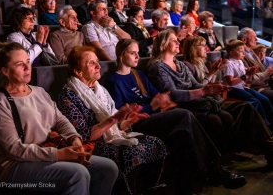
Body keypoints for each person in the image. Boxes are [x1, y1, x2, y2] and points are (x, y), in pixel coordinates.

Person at [105, 39, 248, 194]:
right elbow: (122, 114)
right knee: (184, 115)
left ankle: (189, 185)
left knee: (182, 136)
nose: (137, 57)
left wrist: (160, 102)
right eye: (133, 53)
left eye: (138, 53)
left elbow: (158, 95)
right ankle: (214, 169)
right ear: (121, 54)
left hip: (154, 114)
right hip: (139, 122)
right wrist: (152, 106)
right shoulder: (113, 80)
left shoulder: (138, 74)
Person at [0, 42, 118, 195]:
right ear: (5, 71)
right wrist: (59, 155)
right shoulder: (0, 103)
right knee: (77, 174)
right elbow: (14, 149)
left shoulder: (39, 92)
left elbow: (60, 120)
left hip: (46, 152)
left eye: (28, 62)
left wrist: (74, 139)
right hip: (15, 165)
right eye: (19, 64)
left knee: (108, 168)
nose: (27, 67)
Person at [57, 46, 167, 194]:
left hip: (112, 138)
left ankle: (145, 189)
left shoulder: (100, 90)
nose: (98, 66)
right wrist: (114, 119)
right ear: (78, 71)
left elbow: (117, 127)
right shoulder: (68, 97)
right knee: (131, 153)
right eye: (91, 63)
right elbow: (84, 137)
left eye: (97, 61)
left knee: (155, 142)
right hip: (91, 145)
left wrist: (129, 121)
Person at [147, 29, 234, 153]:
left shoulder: (181, 64)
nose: (178, 42)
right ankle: (208, 159)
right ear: (163, 44)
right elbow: (173, 94)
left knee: (227, 117)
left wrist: (212, 89)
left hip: (194, 102)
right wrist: (203, 92)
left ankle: (221, 157)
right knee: (214, 121)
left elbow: (196, 85)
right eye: (173, 40)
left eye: (177, 40)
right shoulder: (157, 67)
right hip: (180, 106)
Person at [222, 39, 273, 126]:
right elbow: (230, 82)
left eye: (243, 50)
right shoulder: (228, 64)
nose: (243, 53)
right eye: (240, 51)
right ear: (231, 53)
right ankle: (263, 125)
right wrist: (245, 76)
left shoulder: (240, 62)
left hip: (243, 87)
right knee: (255, 101)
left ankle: (271, 123)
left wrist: (250, 73)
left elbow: (246, 78)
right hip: (232, 89)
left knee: (264, 99)